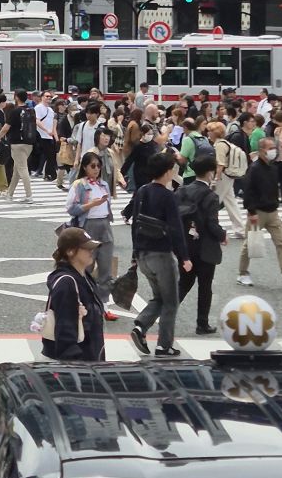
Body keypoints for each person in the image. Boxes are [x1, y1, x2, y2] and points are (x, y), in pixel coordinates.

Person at [128, 149, 192, 358]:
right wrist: (185, 257)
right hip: (162, 255)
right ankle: (164, 345)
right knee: (171, 300)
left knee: (160, 297)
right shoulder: (167, 196)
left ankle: (141, 327)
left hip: (143, 254)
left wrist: (134, 253)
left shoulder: (142, 191)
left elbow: (134, 223)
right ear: (167, 172)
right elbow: (175, 229)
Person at [238, 131, 282, 290]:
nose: (273, 151)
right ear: (261, 150)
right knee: (249, 244)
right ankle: (242, 273)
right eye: (270, 148)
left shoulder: (273, 168)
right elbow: (248, 191)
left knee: (281, 242)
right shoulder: (254, 169)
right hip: (258, 212)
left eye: (274, 148)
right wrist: (251, 211)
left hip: (273, 212)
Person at [66, 153, 123, 319]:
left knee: (106, 268)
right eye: (92, 166)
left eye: (98, 166)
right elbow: (71, 208)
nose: (96, 169)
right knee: (86, 267)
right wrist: (93, 204)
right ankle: (82, 303)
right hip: (88, 226)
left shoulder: (103, 184)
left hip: (105, 225)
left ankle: (104, 306)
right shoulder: (79, 185)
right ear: (84, 167)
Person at [177, 154, 228, 336]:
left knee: (183, 284)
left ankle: (165, 314)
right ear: (209, 173)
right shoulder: (211, 196)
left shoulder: (182, 191)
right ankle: (202, 323)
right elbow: (212, 224)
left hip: (186, 247)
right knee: (205, 287)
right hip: (206, 248)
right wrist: (223, 235)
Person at [39, 228, 105, 363]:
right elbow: (65, 328)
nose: (91, 251)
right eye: (86, 248)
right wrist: (73, 369)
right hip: (75, 364)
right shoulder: (67, 283)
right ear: (70, 251)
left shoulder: (84, 276)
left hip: (88, 358)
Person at [0, 102, 33, 202]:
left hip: (16, 143)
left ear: (16, 97)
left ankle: (29, 195)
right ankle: (10, 193)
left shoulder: (15, 111)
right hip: (29, 142)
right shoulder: (31, 110)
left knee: (22, 168)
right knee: (17, 170)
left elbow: (6, 128)